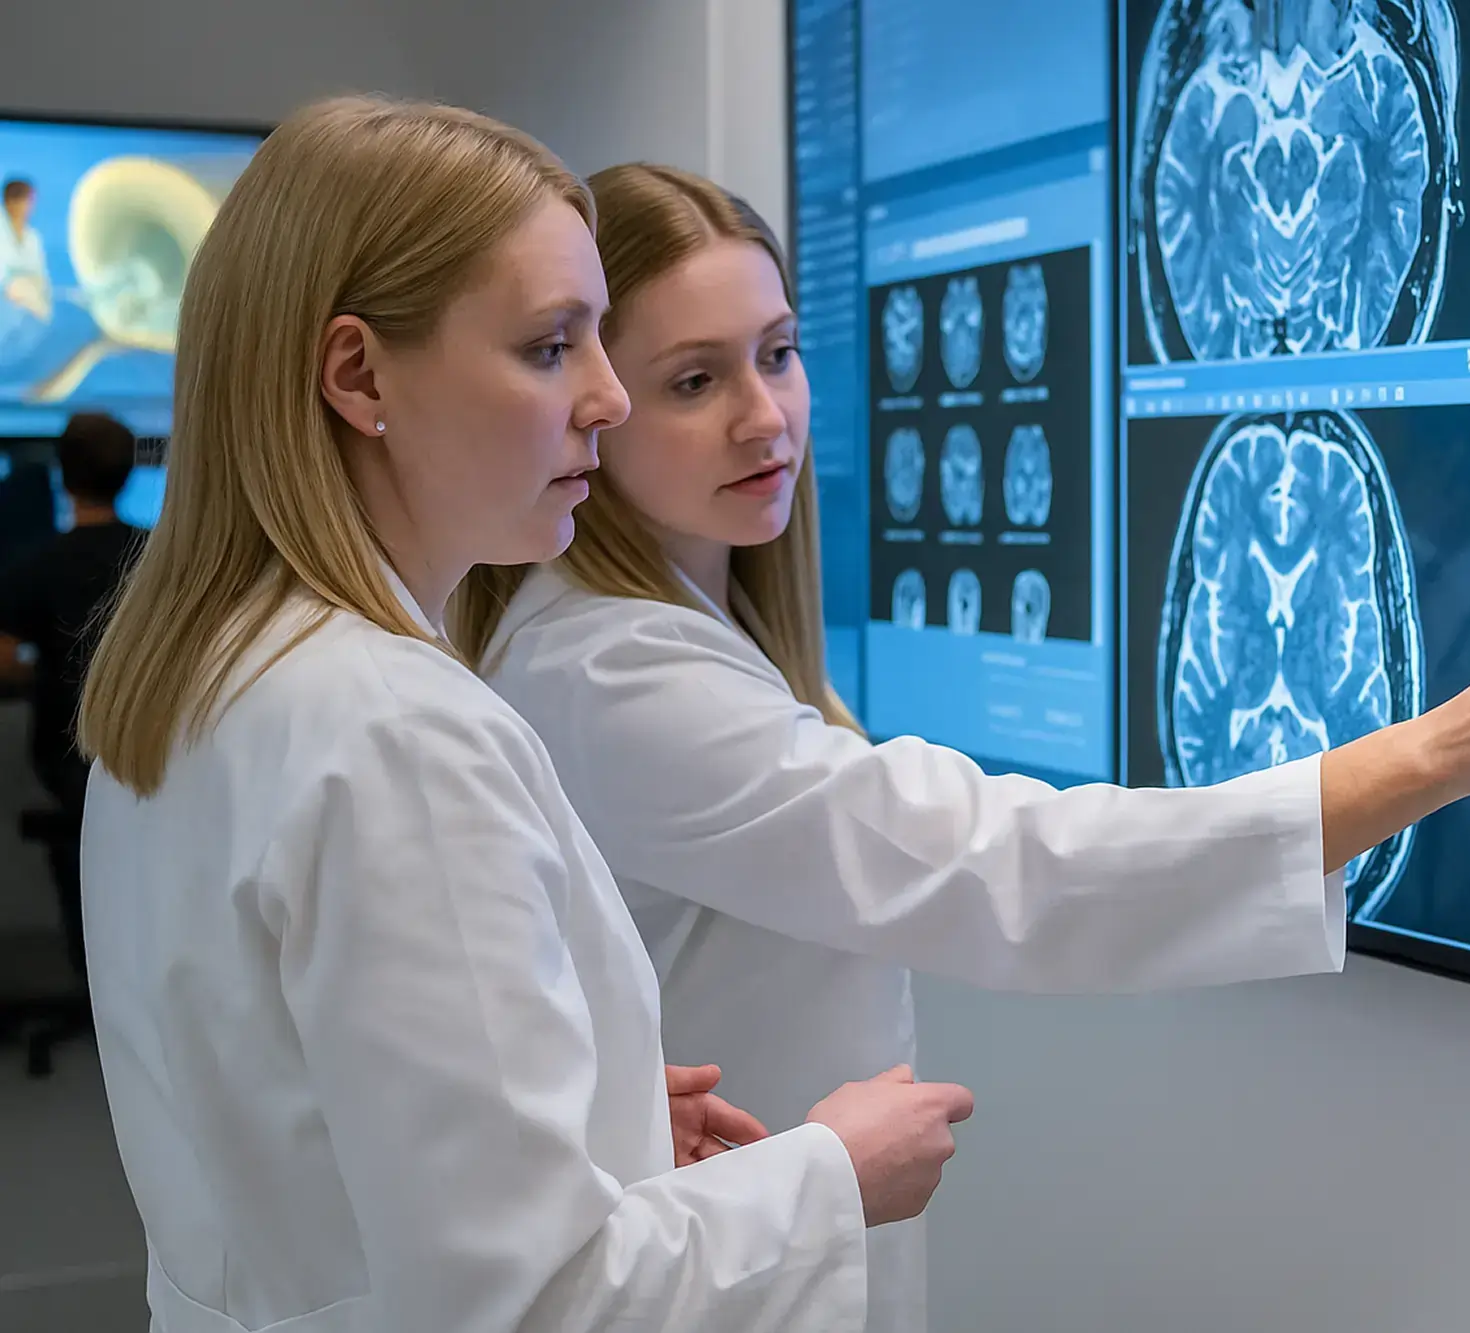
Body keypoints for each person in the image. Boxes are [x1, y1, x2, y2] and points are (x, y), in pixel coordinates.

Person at [456, 164, 1470, 1333]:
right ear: (601, 404)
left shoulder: (693, 624)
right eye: (694, 380)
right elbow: (993, 860)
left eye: (778, 355)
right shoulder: (607, 671)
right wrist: (1433, 754)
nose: (763, 417)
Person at [77, 98, 972, 1333]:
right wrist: (828, 1172)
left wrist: (589, 1112)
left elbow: (281, 1128)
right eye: (552, 346)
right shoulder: (398, 736)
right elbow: (536, 1303)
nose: (607, 398)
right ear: (358, 373)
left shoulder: (202, 669)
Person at [0, 411, 142, 980]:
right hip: (157, 754)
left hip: (69, 761)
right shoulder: (158, 560)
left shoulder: (35, 566)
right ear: (130, 473)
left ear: (62, 477)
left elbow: (4, 660)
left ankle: (93, 976)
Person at [0, 176, 52, 324]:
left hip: (27, 302)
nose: (30, 206)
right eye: (28, 200)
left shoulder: (32, 237)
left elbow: (40, 274)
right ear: (11, 201)